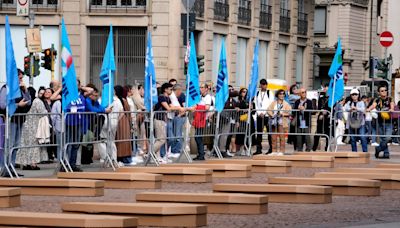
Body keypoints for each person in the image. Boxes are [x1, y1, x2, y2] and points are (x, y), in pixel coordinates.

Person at [0, 69, 31, 176]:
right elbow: (3, 105)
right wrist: (18, 105)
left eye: (22, 78)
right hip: (10, 120)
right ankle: (5, 168)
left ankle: (11, 167)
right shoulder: (6, 88)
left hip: (20, 120)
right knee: (10, 144)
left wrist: (26, 90)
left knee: (16, 145)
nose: (21, 80)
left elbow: (29, 101)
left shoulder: (21, 89)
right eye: (20, 78)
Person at [17, 88, 54, 170]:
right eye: (41, 93)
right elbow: (42, 112)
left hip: (28, 125)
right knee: (34, 145)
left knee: (26, 145)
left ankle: (26, 163)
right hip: (34, 126)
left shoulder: (33, 101)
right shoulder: (38, 101)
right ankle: (32, 164)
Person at [63, 80, 93, 172]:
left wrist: (80, 87)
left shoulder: (81, 95)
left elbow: (91, 90)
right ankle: (65, 164)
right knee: (68, 144)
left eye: (77, 84)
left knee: (76, 145)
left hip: (79, 123)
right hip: (69, 122)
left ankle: (73, 164)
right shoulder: (67, 94)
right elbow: (53, 97)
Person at [153, 83, 184, 163]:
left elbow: (172, 106)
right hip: (159, 119)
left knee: (162, 139)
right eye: (170, 89)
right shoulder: (161, 97)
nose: (171, 90)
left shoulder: (168, 98)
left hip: (164, 120)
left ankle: (158, 156)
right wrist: (180, 108)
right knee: (161, 140)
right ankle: (150, 153)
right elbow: (168, 108)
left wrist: (179, 108)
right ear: (165, 89)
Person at [368, 85, 395, 159]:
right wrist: (368, 109)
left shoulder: (390, 98)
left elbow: (392, 104)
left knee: (388, 138)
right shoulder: (377, 100)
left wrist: (392, 109)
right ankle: (386, 153)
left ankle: (378, 149)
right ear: (379, 92)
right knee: (383, 138)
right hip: (380, 122)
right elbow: (373, 105)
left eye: (385, 90)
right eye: (382, 91)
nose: (384, 92)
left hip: (389, 122)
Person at [267, 89, 292, 155]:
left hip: (282, 122)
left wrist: (283, 114)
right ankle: (274, 151)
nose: (282, 95)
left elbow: (289, 112)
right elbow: (268, 110)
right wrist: (272, 115)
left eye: (283, 94)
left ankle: (282, 151)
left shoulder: (286, 104)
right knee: (273, 137)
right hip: (274, 122)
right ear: (277, 95)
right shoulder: (274, 103)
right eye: (280, 94)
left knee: (282, 137)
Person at [115, 85, 135, 165]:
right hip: (123, 122)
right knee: (123, 141)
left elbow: (128, 113)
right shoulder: (123, 100)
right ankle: (124, 158)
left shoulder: (122, 100)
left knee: (122, 141)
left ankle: (124, 158)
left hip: (122, 122)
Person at [254, 79, 274, 155]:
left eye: (265, 84)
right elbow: (256, 104)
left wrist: (265, 112)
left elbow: (271, 104)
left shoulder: (269, 93)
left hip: (267, 116)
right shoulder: (257, 93)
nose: (263, 85)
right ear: (260, 85)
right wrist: (259, 112)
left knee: (269, 133)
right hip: (259, 116)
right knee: (259, 133)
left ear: (266, 85)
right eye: (262, 84)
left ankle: (271, 149)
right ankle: (259, 149)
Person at [193, 83, 212, 160]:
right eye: (200, 87)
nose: (200, 89)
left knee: (198, 137)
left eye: (202, 87)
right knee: (197, 137)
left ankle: (201, 155)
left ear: (206, 89)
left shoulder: (208, 97)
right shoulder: (200, 97)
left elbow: (207, 107)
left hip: (203, 119)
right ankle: (200, 154)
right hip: (198, 119)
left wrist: (197, 107)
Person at [168, 84, 186, 158]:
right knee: (175, 134)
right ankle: (174, 150)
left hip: (179, 117)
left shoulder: (181, 96)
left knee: (177, 134)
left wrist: (180, 115)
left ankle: (176, 150)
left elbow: (183, 107)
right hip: (176, 116)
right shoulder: (173, 96)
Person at [312, 84, 330, 151]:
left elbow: (332, 108)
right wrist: (321, 112)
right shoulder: (321, 97)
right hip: (321, 118)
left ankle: (327, 148)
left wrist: (327, 112)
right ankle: (314, 148)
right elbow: (319, 107)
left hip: (328, 118)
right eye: (325, 88)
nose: (326, 90)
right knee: (317, 133)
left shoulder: (332, 98)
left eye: (327, 89)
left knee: (328, 134)